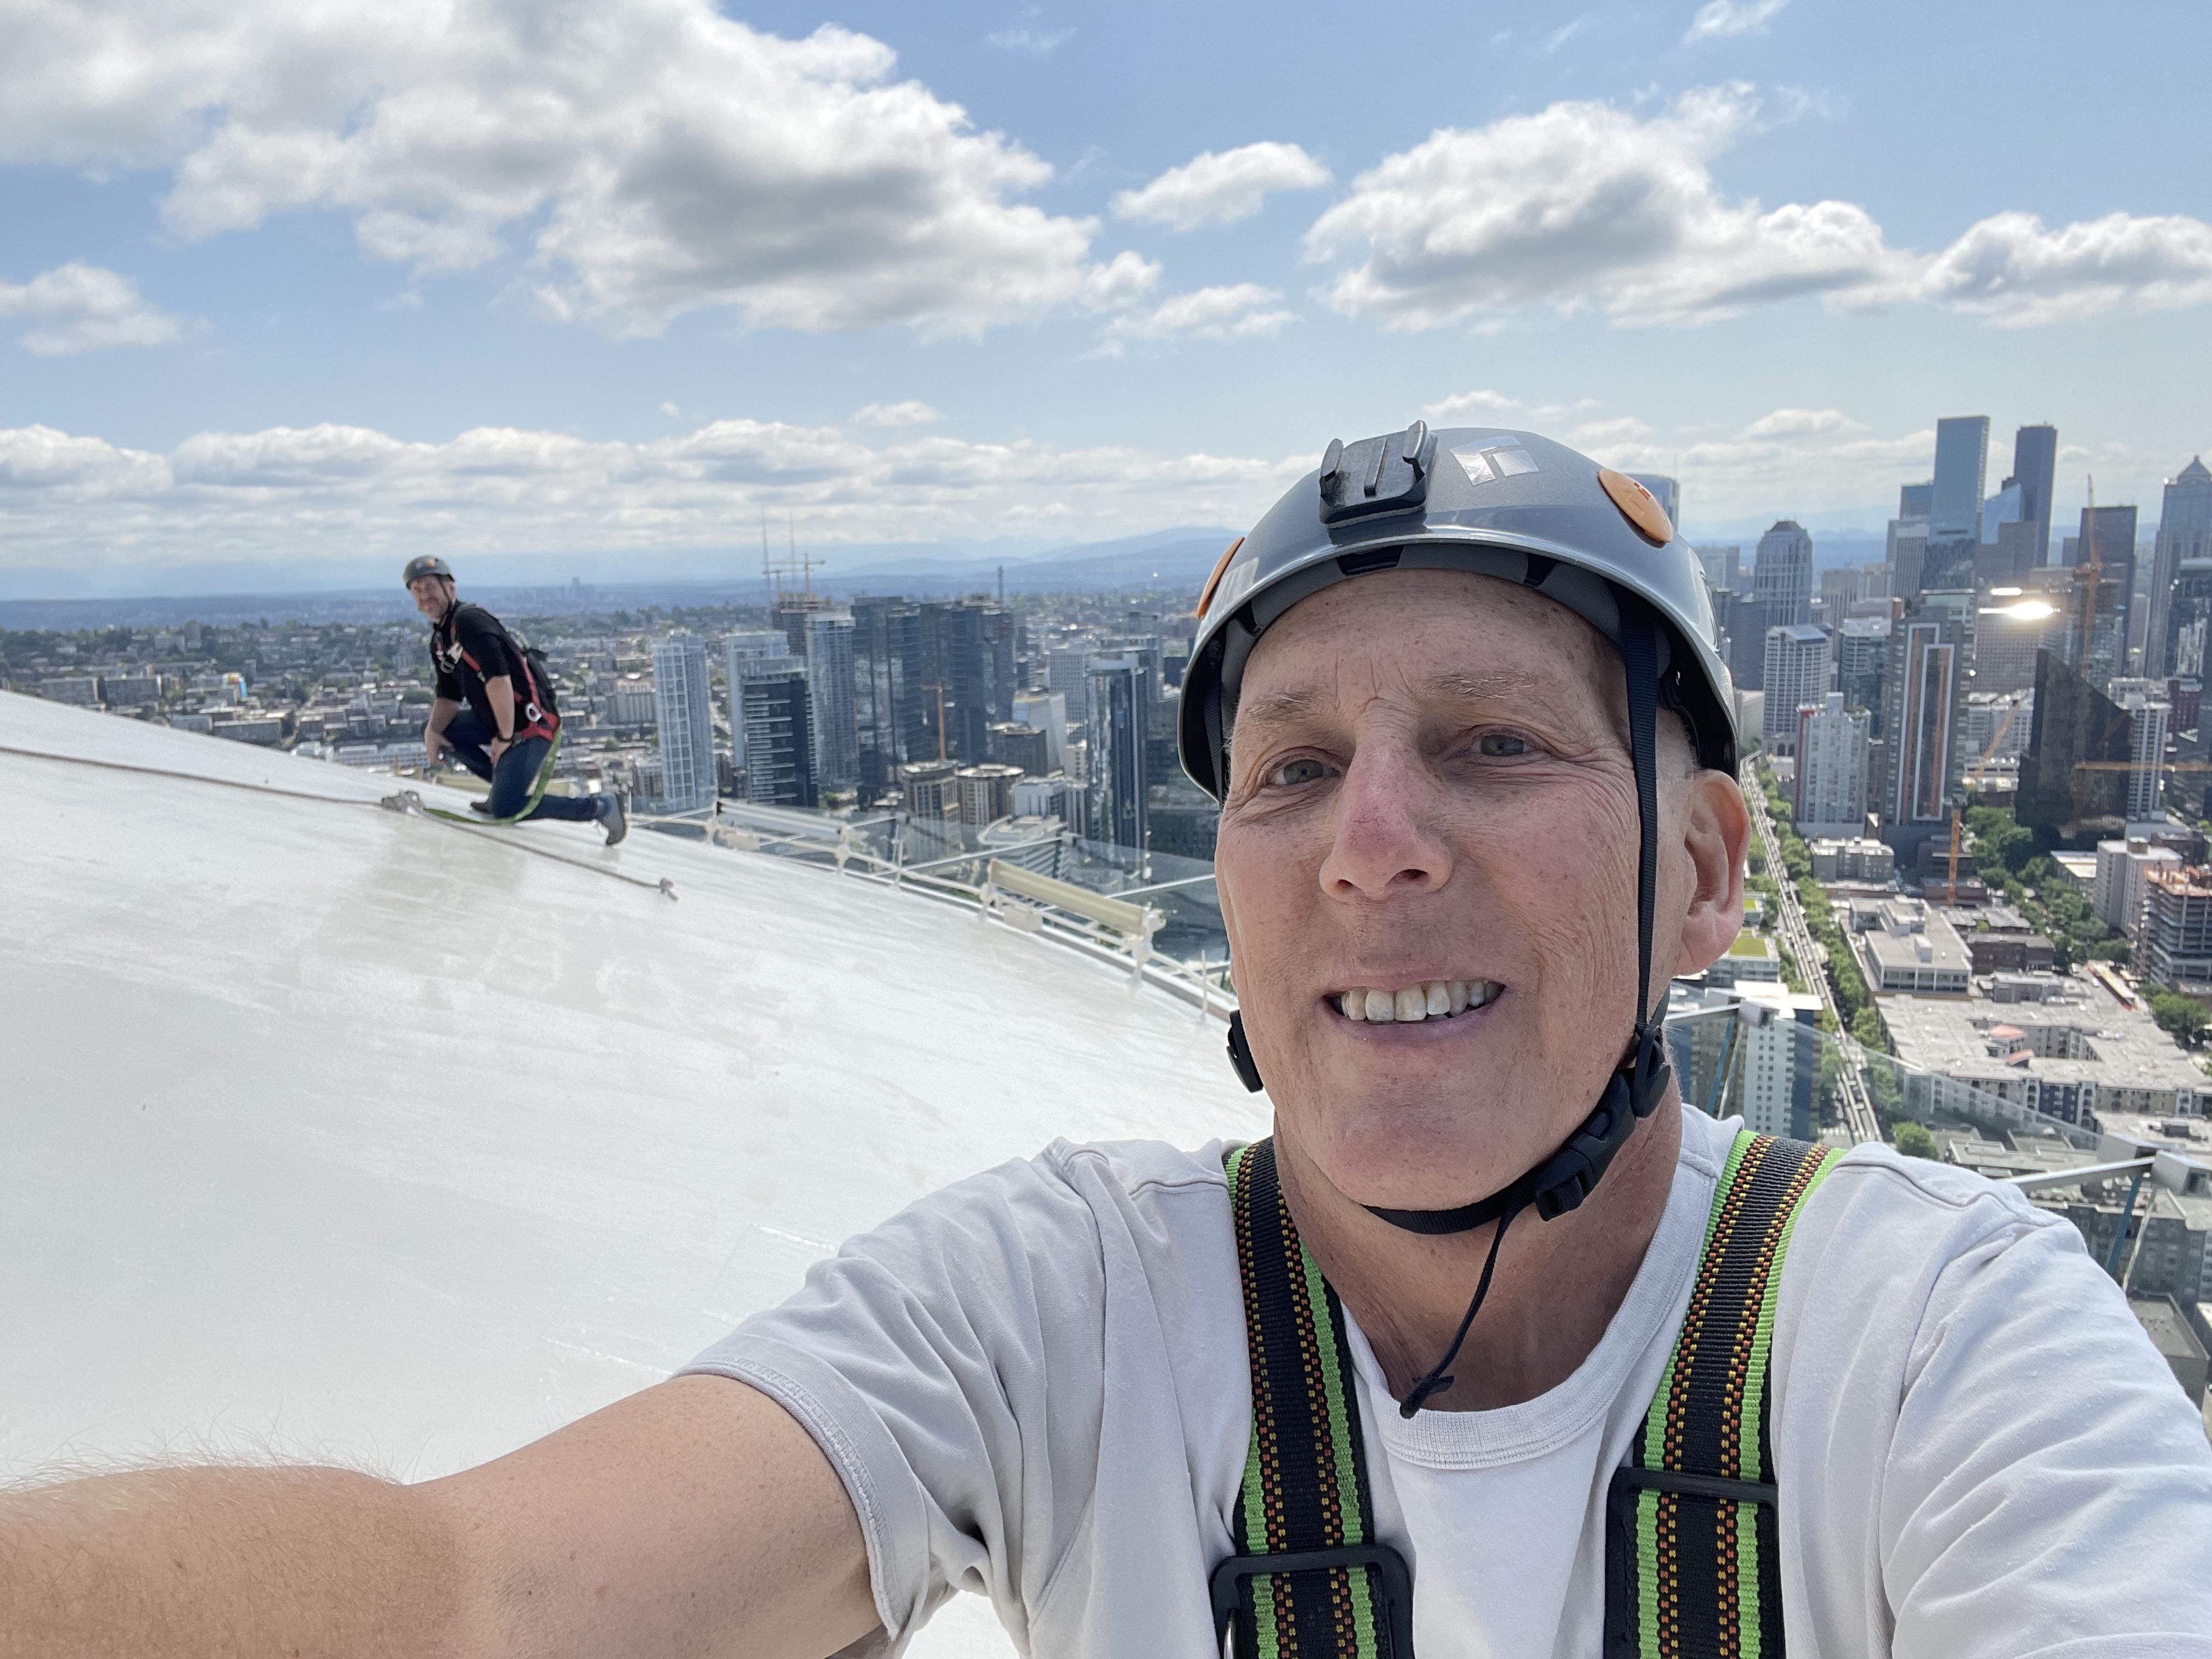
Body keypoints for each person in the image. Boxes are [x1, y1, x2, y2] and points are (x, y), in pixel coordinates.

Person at [7, 430, 2210, 1657]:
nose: (1372, 847)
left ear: (1711, 872)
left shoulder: (1937, 1351)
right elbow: (476, 1597)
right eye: (1288, 771)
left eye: (1491, 744)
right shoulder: (1060, 1310)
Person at [405, 555, 625, 846]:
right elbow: (448, 695)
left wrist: (504, 737)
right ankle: (503, 789)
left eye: (430, 587)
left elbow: (500, 680)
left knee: (505, 810)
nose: (424, 595)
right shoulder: (441, 639)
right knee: (442, 728)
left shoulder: (469, 622)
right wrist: (432, 733)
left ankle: (600, 807)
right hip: (502, 721)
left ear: (451, 588)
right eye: (417, 590)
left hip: (529, 725)